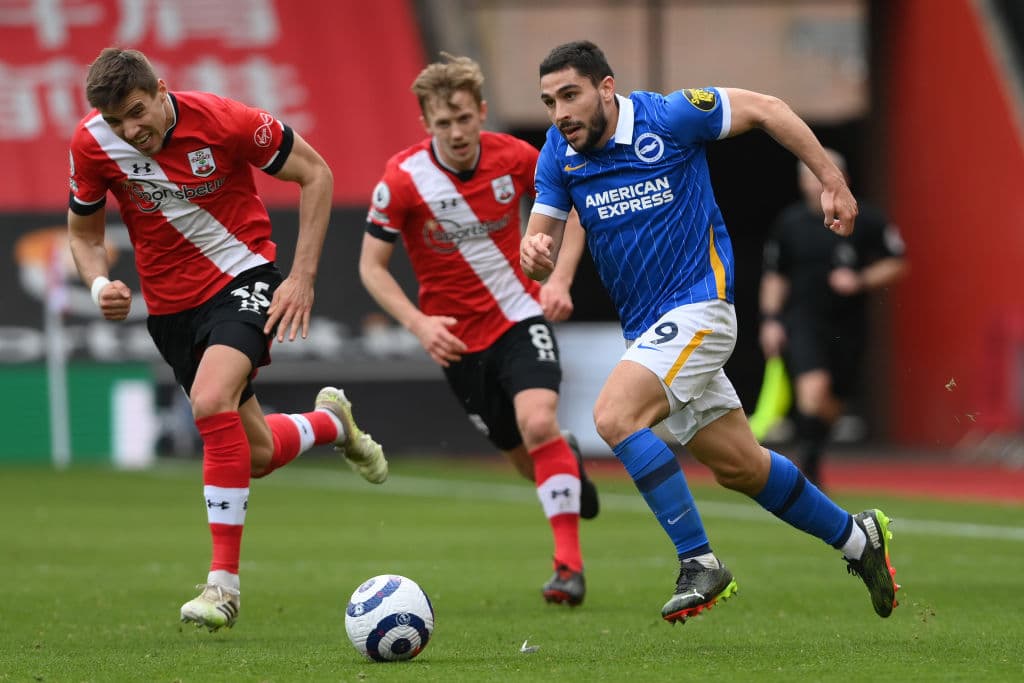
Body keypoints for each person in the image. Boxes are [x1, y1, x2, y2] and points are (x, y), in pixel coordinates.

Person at [520, 40, 900, 624]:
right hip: (649, 331)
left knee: (615, 418)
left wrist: (831, 180)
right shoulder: (558, 152)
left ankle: (698, 561)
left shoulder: (671, 116)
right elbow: (542, 236)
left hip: (702, 307)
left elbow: (769, 108)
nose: (559, 113)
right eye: (548, 102)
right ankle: (858, 540)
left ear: (605, 87)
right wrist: (535, 250)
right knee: (741, 467)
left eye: (569, 95)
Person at [66, 48, 388, 632]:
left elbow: (316, 174)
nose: (130, 131)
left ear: (162, 89)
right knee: (256, 454)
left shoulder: (227, 120)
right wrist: (96, 284)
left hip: (244, 275)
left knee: (210, 400)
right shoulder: (92, 144)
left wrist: (301, 276)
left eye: (137, 113)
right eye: (117, 123)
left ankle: (223, 587)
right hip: (170, 309)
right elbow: (84, 233)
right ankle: (332, 423)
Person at [358, 53, 599, 606]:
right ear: (426, 125)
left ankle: (568, 568)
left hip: (519, 316)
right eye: (443, 123)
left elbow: (576, 207)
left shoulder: (515, 157)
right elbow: (370, 267)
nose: (457, 132)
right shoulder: (402, 179)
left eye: (465, 118)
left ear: (482, 111)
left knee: (537, 421)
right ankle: (564, 457)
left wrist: (559, 280)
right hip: (456, 341)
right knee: (525, 458)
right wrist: (419, 324)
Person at [759, 150, 907, 488]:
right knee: (813, 388)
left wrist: (861, 280)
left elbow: (897, 262)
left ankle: (812, 454)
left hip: (848, 325)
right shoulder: (790, 223)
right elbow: (774, 277)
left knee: (833, 402)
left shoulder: (867, 219)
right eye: (810, 175)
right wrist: (770, 319)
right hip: (803, 320)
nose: (816, 182)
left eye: (822, 174)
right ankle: (807, 472)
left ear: (842, 179)